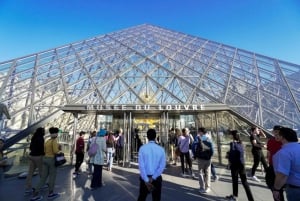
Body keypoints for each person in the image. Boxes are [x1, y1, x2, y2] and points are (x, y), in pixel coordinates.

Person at [30, 127, 61, 201]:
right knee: (52, 177)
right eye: (57, 133)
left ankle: (35, 194)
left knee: (43, 178)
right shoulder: (54, 141)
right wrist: (60, 149)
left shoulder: (47, 141)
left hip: (45, 159)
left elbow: (44, 150)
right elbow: (56, 151)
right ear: (56, 133)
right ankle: (51, 193)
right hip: (51, 160)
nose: (57, 134)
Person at [137, 129, 166, 201]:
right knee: (156, 198)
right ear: (155, 137)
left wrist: (146, 180)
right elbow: (162, 166)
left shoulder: (142, 148)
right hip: (156, 178)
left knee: (142, 197)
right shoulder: (161, 149)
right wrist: (153, 177)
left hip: (145, 177)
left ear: (147, 137)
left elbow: (141, 166)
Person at [273, 127, 300, 201]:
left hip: (295, 189)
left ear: (282, 137)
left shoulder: (284, 153)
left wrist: (276, 189)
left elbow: (282, 174)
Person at [226, 130, 254, 201]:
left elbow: (231, 155)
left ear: (233, 136)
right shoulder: (241, 143)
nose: (229, 136)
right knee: (245, 182)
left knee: (235, 181)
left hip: (235, 165)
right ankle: (251, 199)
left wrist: (229, 163)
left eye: (230, 135)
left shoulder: (232, 144)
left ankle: (234, 196)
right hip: (241, 164)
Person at [192, 127, 213, 194]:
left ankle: (202, 187)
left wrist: (195, 155)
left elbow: (193, 146)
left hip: (201, 158)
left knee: (200, 173)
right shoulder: (209, 138)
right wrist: (210, 156)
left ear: (201, 132)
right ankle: (207, 188)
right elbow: (212, 149)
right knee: (208, 173)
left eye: (199, 131)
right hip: (208, 158)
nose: (198, 132)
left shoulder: (198, 138)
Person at [24, 127, 45, 194]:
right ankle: (42, 185)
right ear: (41, 132)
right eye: (43, 131)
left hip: (31, 156)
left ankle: (28, 188)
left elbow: (30, 147)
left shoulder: (34, 137)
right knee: (41, 171)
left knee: (30, 172)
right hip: (38, 157)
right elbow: (41, 148)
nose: (44, 132)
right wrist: (44, 154)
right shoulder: (41, 138)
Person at [266, 125, 284, 201]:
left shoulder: (284, 141)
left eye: (279, 133)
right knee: (275, 187)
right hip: (273, 166)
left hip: (281, 167)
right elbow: (269, 153)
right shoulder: (271, 141)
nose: (277, 134)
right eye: (275, 132)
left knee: (278, 188)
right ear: (273, 132)